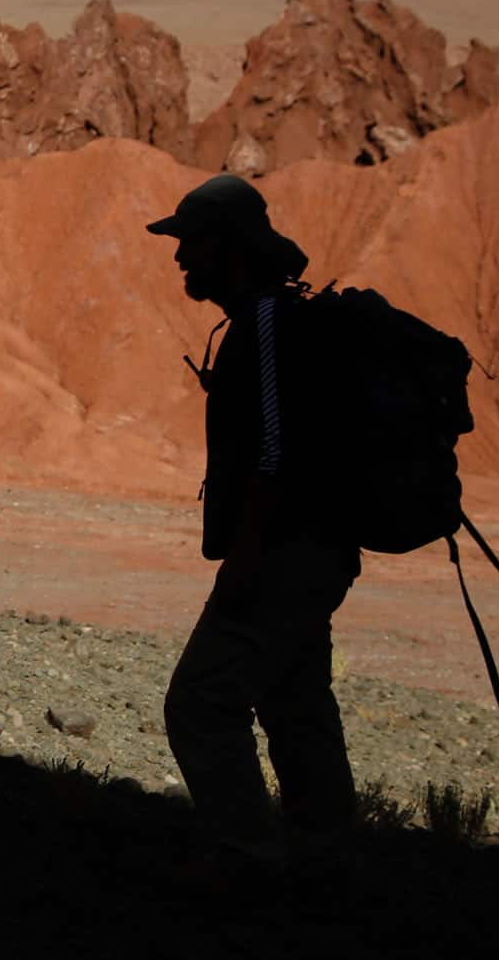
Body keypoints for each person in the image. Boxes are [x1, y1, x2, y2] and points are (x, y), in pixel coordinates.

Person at [150, 173, 358, 868]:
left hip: (282, 554)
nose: (181, 258)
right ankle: (324, 859)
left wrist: (245, 559)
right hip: (309, 551)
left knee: (202, 702)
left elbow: (275, 447)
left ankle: (251, 863)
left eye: (193, 243)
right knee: (294, 696)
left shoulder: (268, 323)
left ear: (228, 246)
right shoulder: (267, 317)